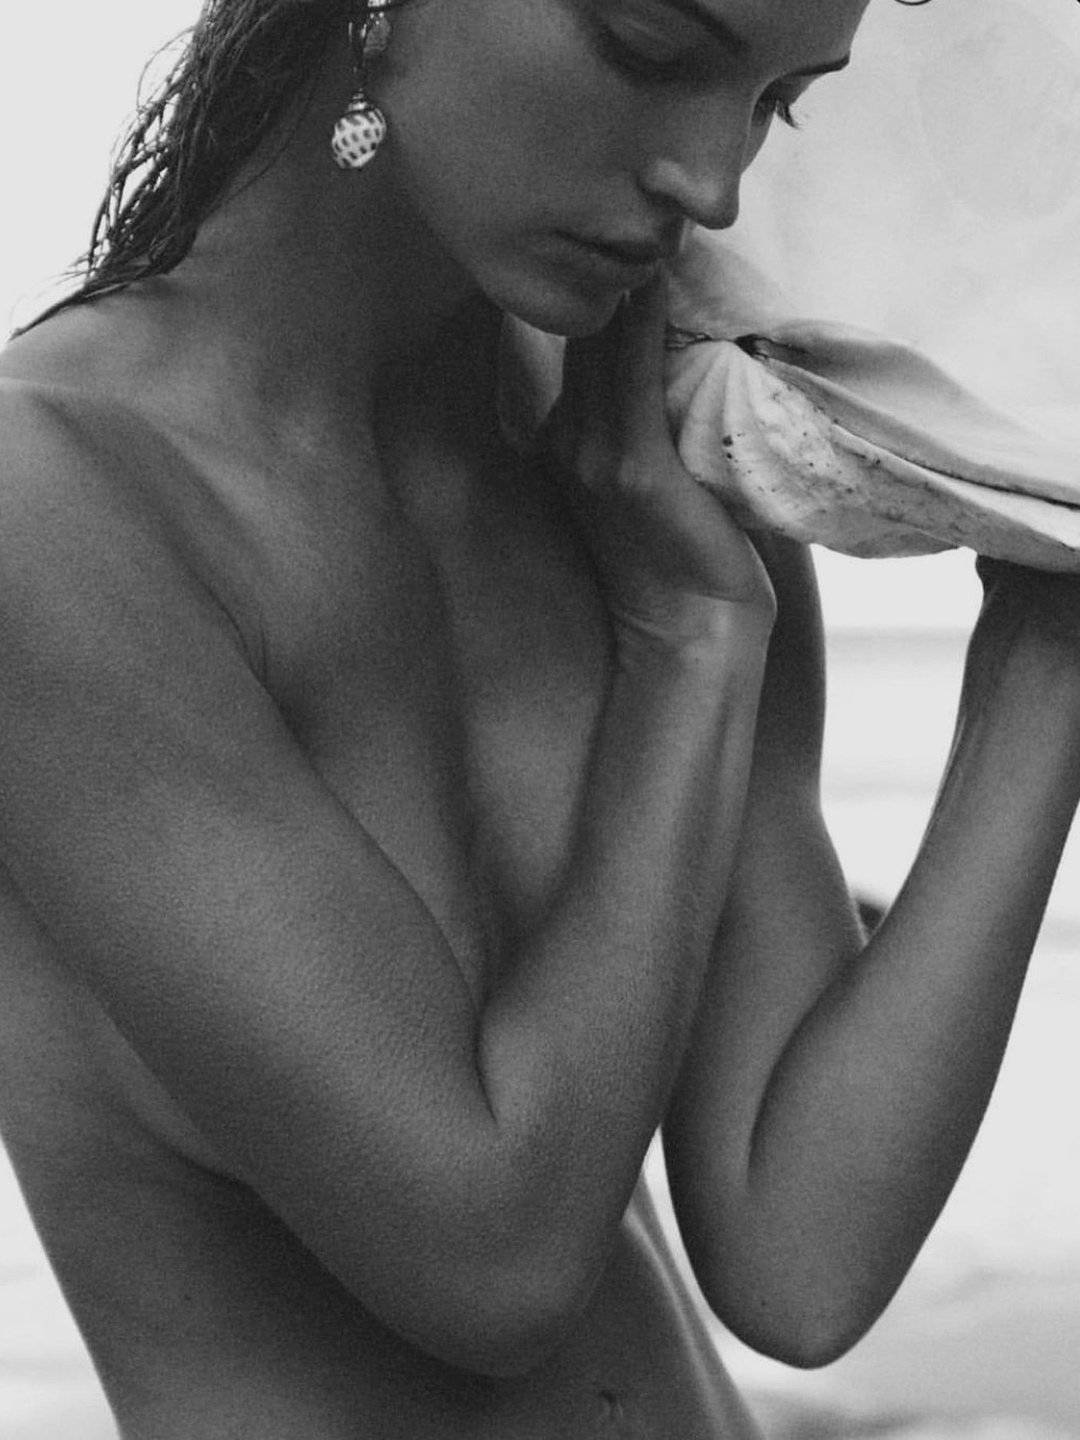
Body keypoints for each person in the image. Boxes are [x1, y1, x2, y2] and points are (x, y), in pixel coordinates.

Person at [1, 0, 1079, 1435]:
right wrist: (686, 645)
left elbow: (801, 1257)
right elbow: (489, 1261)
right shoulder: (60, 507)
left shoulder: (637, 451)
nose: (714, 181)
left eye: (780, 101)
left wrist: (1049, 628)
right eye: (650, 50)